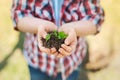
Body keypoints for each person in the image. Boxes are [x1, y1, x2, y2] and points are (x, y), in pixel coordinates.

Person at [11, 0, 104, 80]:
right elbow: (18, 14)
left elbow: (95, 17)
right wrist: (40, 26)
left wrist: (73, 29)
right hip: (38, 61)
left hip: (71, 62)